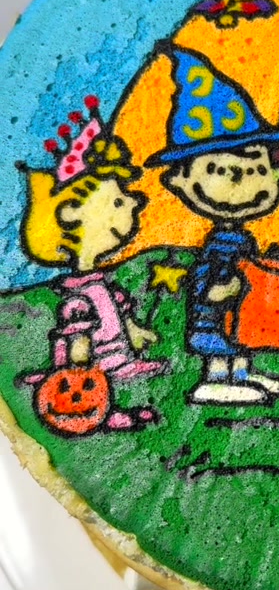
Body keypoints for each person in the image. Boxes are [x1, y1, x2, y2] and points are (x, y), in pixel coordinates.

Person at [147, 49, 279, 406]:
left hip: (237, 315)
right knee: (221, 343)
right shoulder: (217, 243)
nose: (243, 181)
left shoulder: (239, 236)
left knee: (239, 338)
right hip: (215, 315)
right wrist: (219, 290)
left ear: (276, 174)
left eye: (257, 169)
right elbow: (205, 277)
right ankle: (215, 379)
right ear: (179, 181)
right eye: (221, 171)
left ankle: (241, 372)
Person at [20, 96, 164, 431]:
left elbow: (119, 312)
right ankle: (105, 411)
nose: (134, 204)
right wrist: (81, 365)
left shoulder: (100, 284)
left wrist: (136, 331)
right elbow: (78, 340)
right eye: (117, 201)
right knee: (91, 389)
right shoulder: (78, 297)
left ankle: (114, 388)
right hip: (93, 373)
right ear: (72, 213)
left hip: (116, 360)